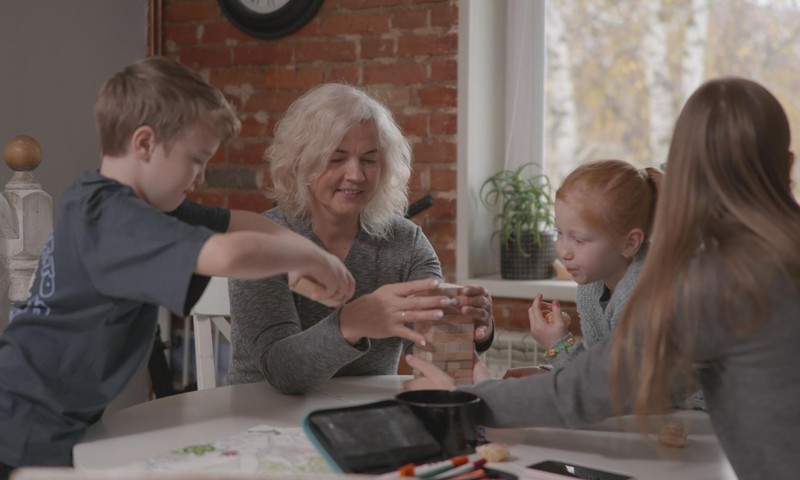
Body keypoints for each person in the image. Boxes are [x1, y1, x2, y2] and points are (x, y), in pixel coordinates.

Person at [404, 77, 800, 479]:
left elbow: (586, 392)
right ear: (788, 164)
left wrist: (461, 399)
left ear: (681, 178)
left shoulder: (718, 281)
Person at [0, 57, 355, 473]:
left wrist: (299, 249)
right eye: (197, 159)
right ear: (145, 143)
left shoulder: (119, 203)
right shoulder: (114, 220)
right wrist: (310, 257)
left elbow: (239, 223)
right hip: (25, 421)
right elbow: (229, 255)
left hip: (45, 413)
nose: (201, 175)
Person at [226, 83, 495, 394]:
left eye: (369, 159)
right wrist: (350, 323)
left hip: (365, 412)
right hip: (261, 413)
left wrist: (468, 328)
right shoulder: (261, 242)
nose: (356, 175)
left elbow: (438, 356)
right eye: (336, 158)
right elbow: (283, 373)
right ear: (301, 162)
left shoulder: (406, 242)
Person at [517, 160, 662, 375]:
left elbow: (613, 386)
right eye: (559, 232)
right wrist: (545, 374)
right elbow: (598, 367)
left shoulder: (643, 297)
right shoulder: (592, 285)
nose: (563, 251)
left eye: (578, 239)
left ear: (630, 243)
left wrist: (558, 345)